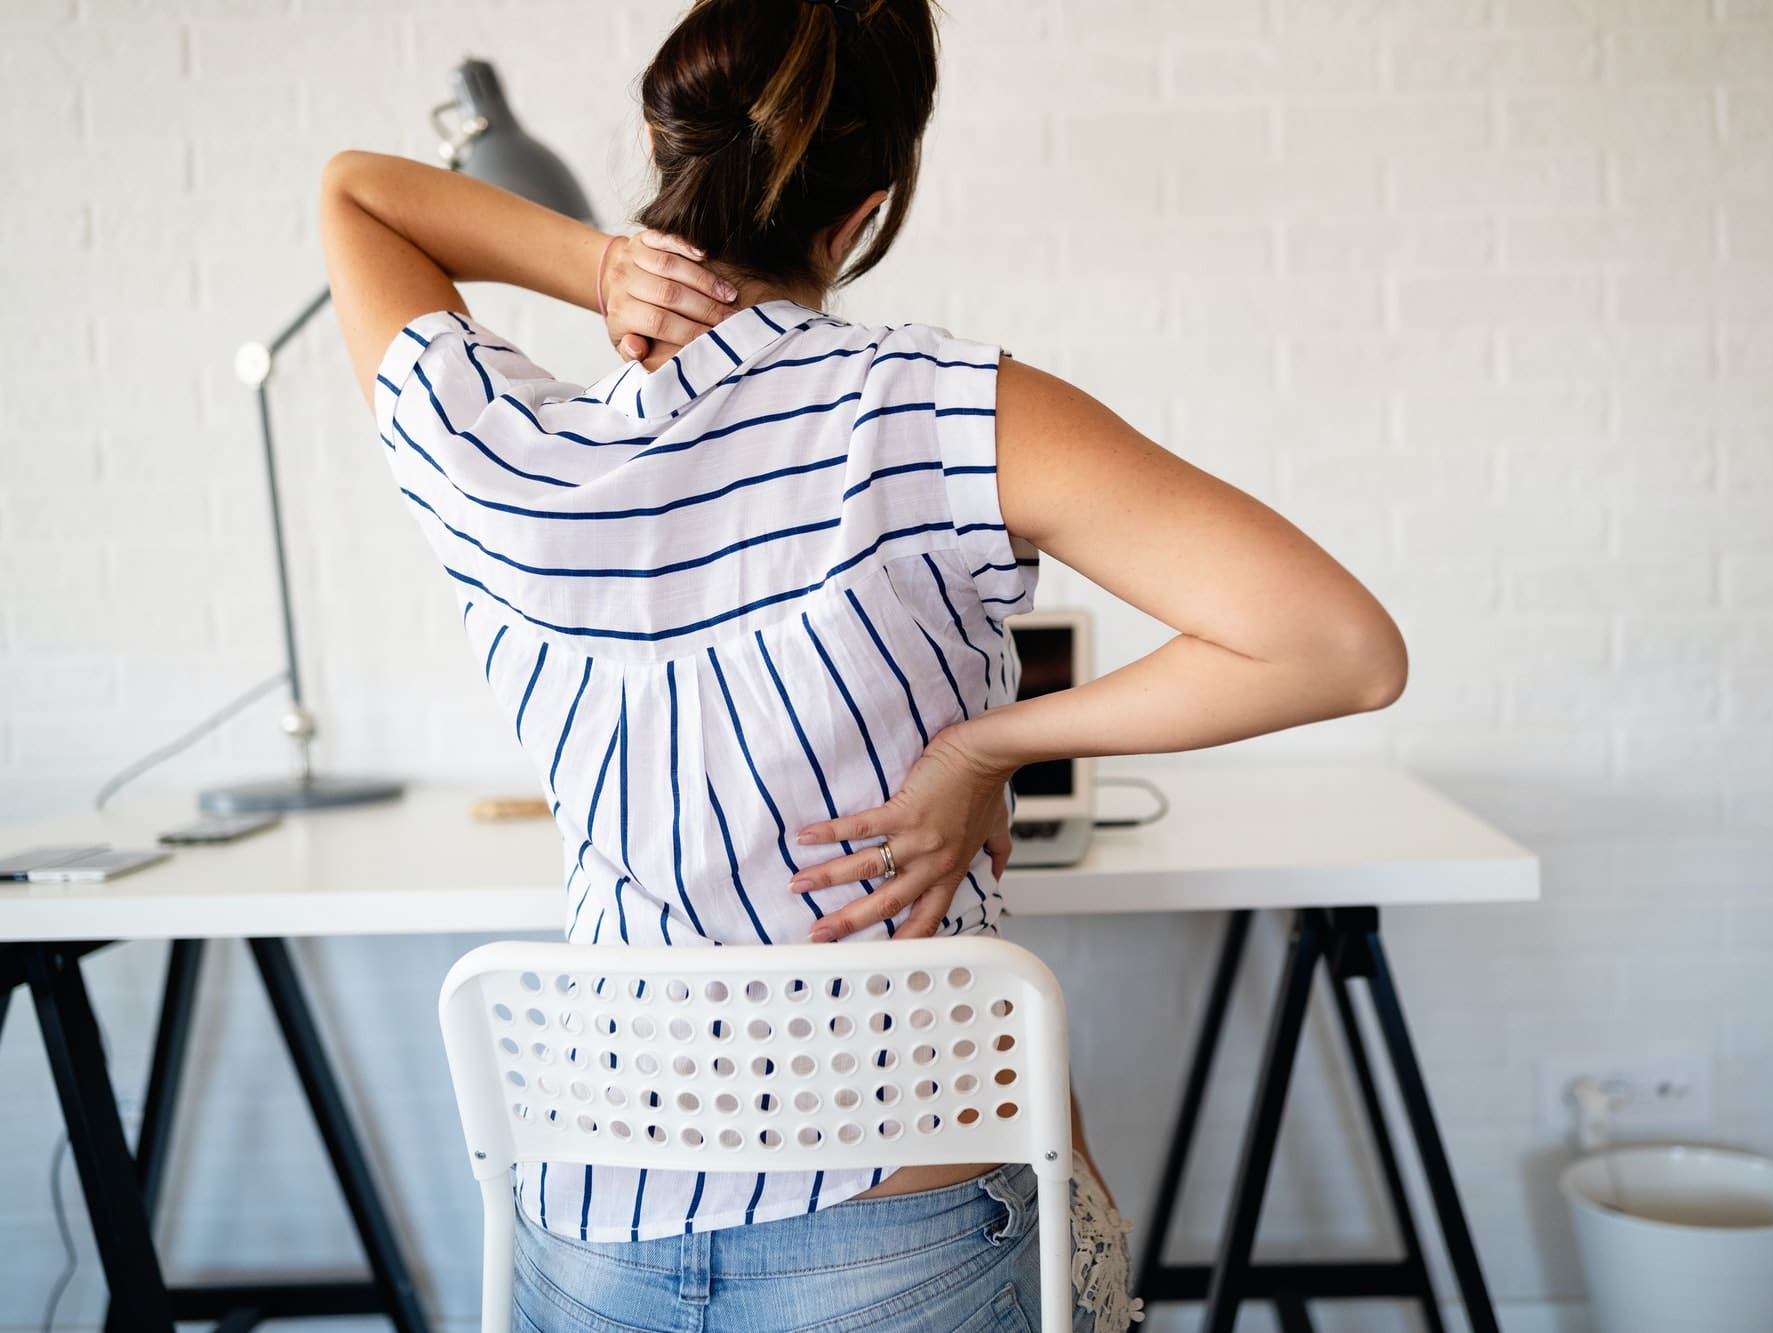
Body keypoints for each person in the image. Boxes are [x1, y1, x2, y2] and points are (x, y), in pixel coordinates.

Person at [320, 0, 1405, 1327]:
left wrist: (596, 264)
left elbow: (358, 197)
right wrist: (988, 745)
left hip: (590, 1236)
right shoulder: (939, 410)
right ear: (864, 210)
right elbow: (1339, 649)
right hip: (901, 1225)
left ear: (670, 166)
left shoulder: (509, 454)